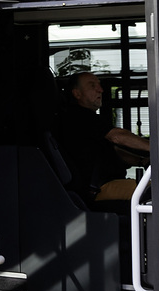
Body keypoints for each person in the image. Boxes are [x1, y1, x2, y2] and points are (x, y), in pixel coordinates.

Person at [56, 71, 149, 203]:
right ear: (77, 93)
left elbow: (112, 151)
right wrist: (155, 147)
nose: (100, 90)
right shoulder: (79, 117)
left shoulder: (88, 119)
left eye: (99, 85)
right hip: (98, 187)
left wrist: (141, 160)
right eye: (92, 86)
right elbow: (117, 137)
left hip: (104, 184)